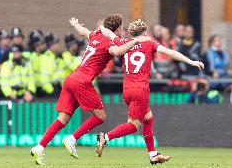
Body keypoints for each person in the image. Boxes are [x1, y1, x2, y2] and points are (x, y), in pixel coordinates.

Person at [30, 14, 148, 165]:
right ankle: (71, 139)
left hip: (71, 78)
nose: (122, 31)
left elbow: (84, 32)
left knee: (63, 119)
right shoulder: (108, 43)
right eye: (121, 27)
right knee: (100, 117)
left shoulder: (97, 35)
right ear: (117, 28)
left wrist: (75, 25)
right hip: (82, 81)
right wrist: (136, 41)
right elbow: (117, 52)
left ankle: (39, 147)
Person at [97, 19, 204, 165]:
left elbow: (108, 33)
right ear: (144, 32)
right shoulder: (149, 42)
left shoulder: (124, 42)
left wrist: (101, 27)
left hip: (127, 89)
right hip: (140, 90)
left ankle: (153, 155)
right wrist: (192, 62)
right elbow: (171, 52)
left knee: (148, 118)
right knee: (133, 125)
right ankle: (106, 137)